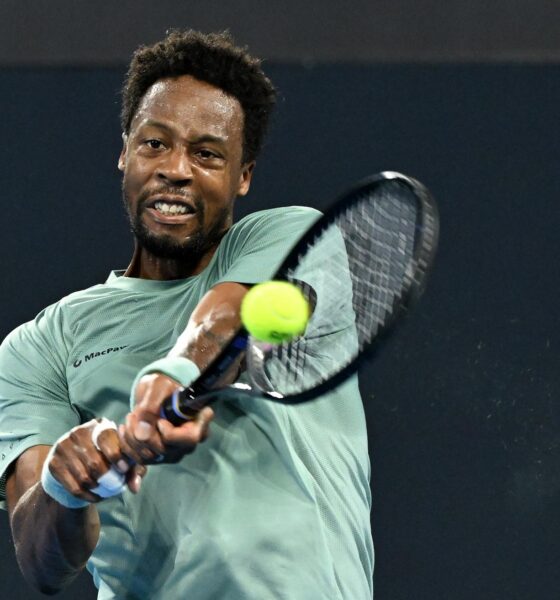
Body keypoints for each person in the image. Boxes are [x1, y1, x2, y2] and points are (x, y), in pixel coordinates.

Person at [0, 30, 373, 599]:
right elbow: (42, 562)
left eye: (206, 154)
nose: (176, 169)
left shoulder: (293, 237)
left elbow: (226, 320)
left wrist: (167, 380)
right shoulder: (38, 346)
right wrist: (67, 487)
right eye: (155, 143)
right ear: (124, 150)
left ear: (242, 176)